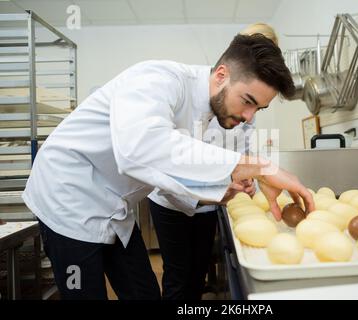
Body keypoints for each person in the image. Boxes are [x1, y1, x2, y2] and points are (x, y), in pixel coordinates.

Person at [22, 33, 314, 300]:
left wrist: (211, 192)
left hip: (113, 205)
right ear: (222, 75)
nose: (250, 117)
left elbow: (166, 169)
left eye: (258, 109)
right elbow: (141, 146)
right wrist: (259, 167)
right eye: (248, 101)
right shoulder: (158, 79)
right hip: (68, 196)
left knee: (144, 292)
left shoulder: (207, 113)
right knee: (85, 293)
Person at [148, 23, 279, 300]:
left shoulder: (247, 107)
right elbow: (177, 156)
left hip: (212, 202)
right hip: (169, 200)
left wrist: (243, 176)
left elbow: (240, 149)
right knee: (178, 272)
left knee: (197, 271)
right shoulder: (205, 91)